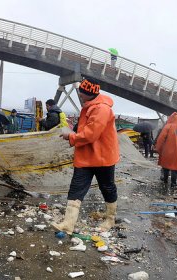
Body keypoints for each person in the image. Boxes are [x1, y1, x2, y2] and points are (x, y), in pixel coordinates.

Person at [51, 78, 119, 234]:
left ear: (90, 93)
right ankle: (68, 224)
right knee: (76, 187)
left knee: (107, 187)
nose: (80, 95)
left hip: (103, 157)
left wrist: (71, 137)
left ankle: (110, 219)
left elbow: (90, 134)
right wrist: (72, 130)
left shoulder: (102, 109)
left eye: (82, 93)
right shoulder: (89, 106)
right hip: (86, 156)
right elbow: (85, 128)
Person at [155, 112, 177, 194]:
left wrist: (158, 148)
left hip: (167, 151)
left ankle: (165, 180)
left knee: (166, 166)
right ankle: (173, 183)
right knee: (175, 167)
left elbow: (161, 139)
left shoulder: (167, 127)